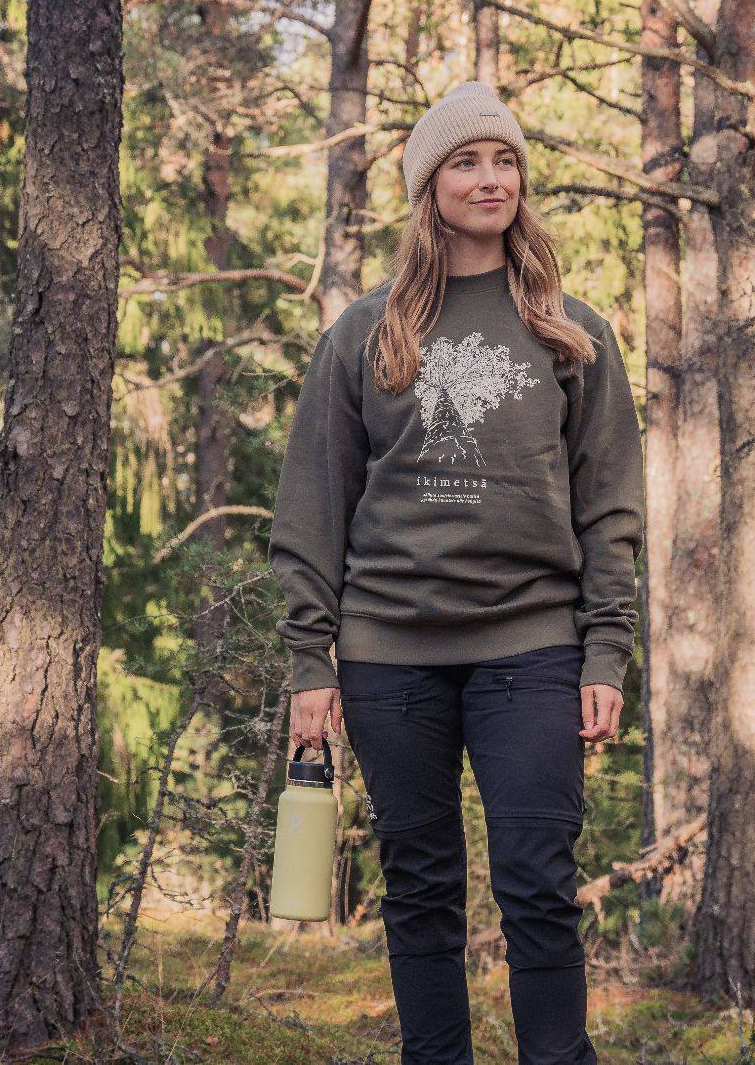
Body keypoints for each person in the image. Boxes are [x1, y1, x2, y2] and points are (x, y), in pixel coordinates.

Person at [268, 80, 647, 1065]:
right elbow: (312, 506)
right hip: (388, 656)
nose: (489, 179)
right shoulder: (364, 332)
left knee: (536, 883)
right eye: (465, 163)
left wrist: (606, 649)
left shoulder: (573, 331)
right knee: (421, 887)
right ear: (426, 187)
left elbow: (610, 509)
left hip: (532, 648)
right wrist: (310, 663)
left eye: (504, 160)